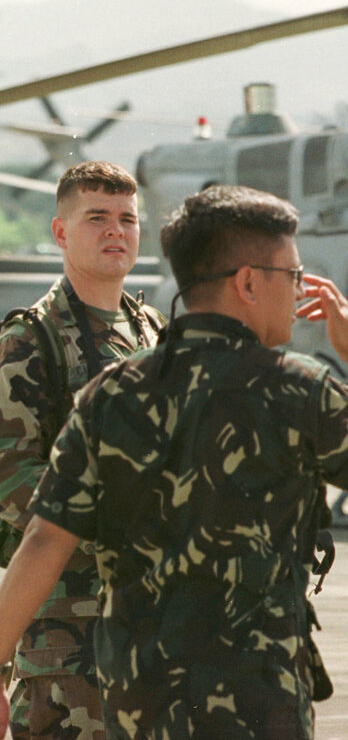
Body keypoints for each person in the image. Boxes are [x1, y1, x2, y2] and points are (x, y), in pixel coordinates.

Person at [0, 185, 348, 739]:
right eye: (292, 276)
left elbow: (42, 542)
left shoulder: (112, 392)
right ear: (248, 282)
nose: (298, 292)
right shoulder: (297, 388)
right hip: (258, 705)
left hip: (137, 706)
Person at [0, 161, 165, 740]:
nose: (116, 231)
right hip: (67, 649)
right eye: (97, 218)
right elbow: (13, 478)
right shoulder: (30, 341)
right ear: (60, 232)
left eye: (127, 218)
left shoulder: (153, 334)